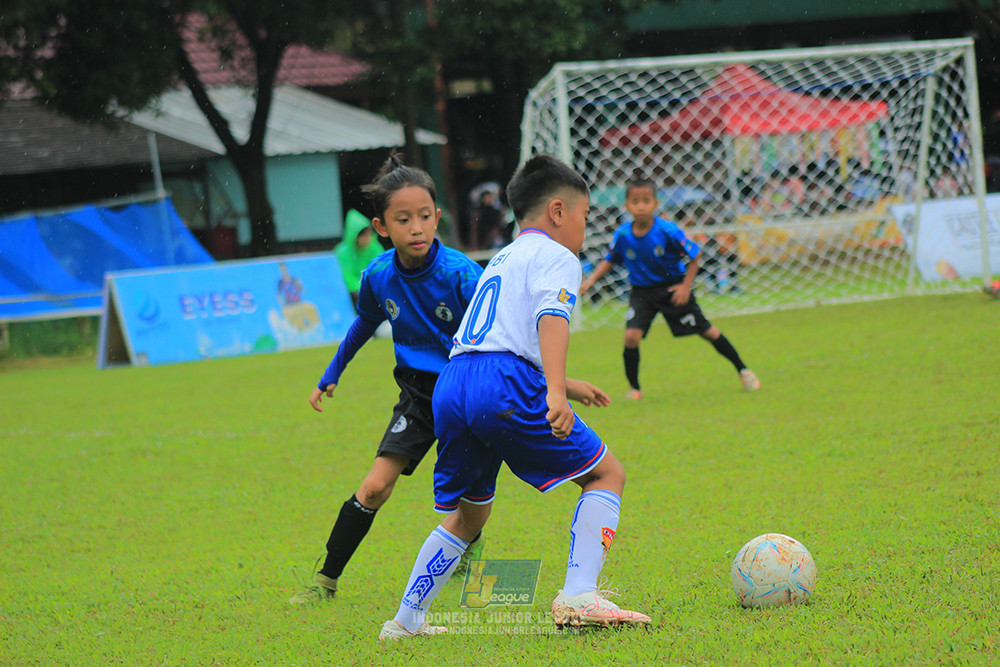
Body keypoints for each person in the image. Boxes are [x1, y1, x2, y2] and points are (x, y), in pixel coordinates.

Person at [378, 154, 651, 641]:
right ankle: (580, 595)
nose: (585, 232)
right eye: (585, 218)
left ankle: (405, 621)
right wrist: (554, 392)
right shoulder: (559, 256)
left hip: (454, 382)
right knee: (607, 473)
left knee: (470, 514)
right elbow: (551, 318)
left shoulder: (502, 257)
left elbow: (496, 339)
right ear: (558, 212)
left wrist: (566, 383)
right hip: (502, 383)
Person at [289, 154, 485, 605]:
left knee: (467, 493)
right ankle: (325, 580)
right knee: (375, 485)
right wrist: (330, 375)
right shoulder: (378, 276)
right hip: (417, 393)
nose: (416, 227)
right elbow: (362, 327)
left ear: (437, 218)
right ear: (381, 227)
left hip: (468, 388)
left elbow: (499, 331)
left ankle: (471, 548)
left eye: (423, 217)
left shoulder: (462, 274)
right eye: (403, 219)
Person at [579, 174, 760, 399]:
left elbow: (695, 255)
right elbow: (611, 258)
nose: (641, 207)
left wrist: (685, 287)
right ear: (627, 206)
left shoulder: (668, 230)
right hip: (642, 293)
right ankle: (634, 389)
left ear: (655, 204)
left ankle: (744, 370)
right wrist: (591, 279)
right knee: (631, 337)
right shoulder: (623, 233)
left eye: (646, 201)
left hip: (672, 289)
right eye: (635, 202)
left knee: (708, 332)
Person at [333, 208, 382, 307]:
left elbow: (381, 271)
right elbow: (345, 276)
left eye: (370, 234)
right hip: (352, 294)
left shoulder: (375, 248)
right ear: (355, 236)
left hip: (373, 290)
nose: (367, 239)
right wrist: (363, 288)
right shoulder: (342, 252)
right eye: (363, 235)